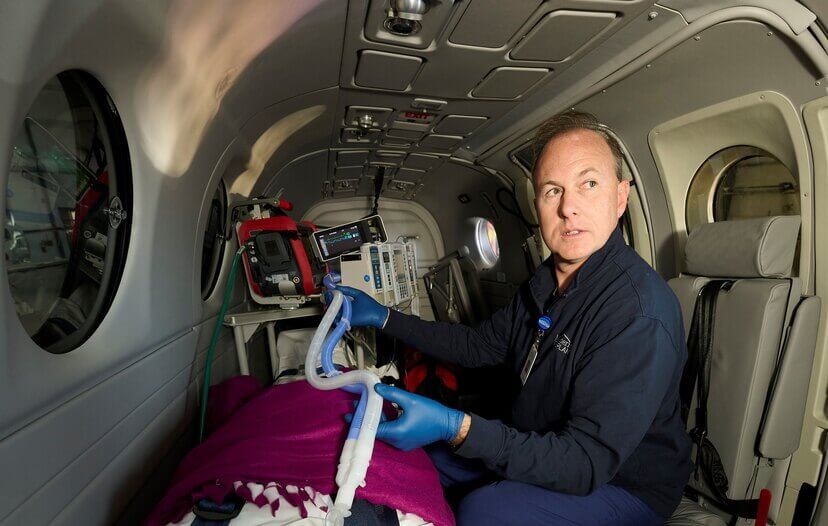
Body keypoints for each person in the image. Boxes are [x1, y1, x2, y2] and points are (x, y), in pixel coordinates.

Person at [336, 111, 692, 525]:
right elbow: (476, 346)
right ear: (537, 204)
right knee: (409, 454)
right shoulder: (546, 281)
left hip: (624, 485)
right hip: (543, 445)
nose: (569, 208)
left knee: (486, 510)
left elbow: (584, 464)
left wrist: (459, 426)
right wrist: (383, 318)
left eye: (588, 184)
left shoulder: (638, 313)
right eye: (552, 190)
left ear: (620, 197)